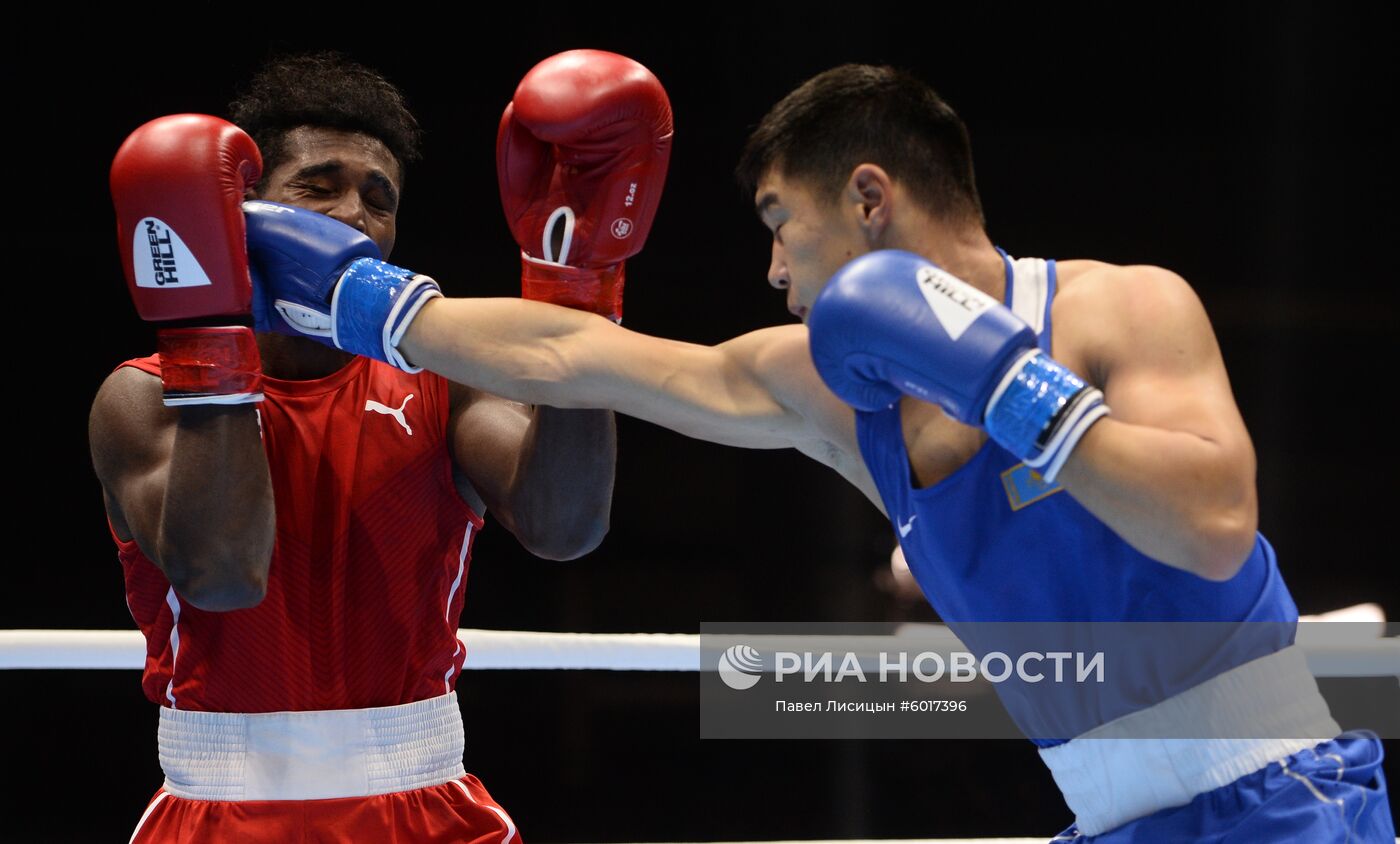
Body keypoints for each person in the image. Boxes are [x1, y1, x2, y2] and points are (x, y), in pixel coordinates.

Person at [250, 64, 1392, 841]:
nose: (774, 272)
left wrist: (1004, 385)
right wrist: (359, 299)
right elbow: (573, 357)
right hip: (1107, 812)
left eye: (780, 225)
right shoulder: (843, 397)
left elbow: (1209, 524)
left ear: (866, 197)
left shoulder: (1115, 311)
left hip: (1277, 790)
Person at [88, 52, 646, 842]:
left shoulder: (443, 380)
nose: (353, 214)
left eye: (377, 199)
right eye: (318, 185)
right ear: (236, 208)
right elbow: (220, 576)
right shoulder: (144, 397)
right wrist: (211, 339)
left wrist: (582, 299)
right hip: (221, 806)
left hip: (425, 797)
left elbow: (565, 529)